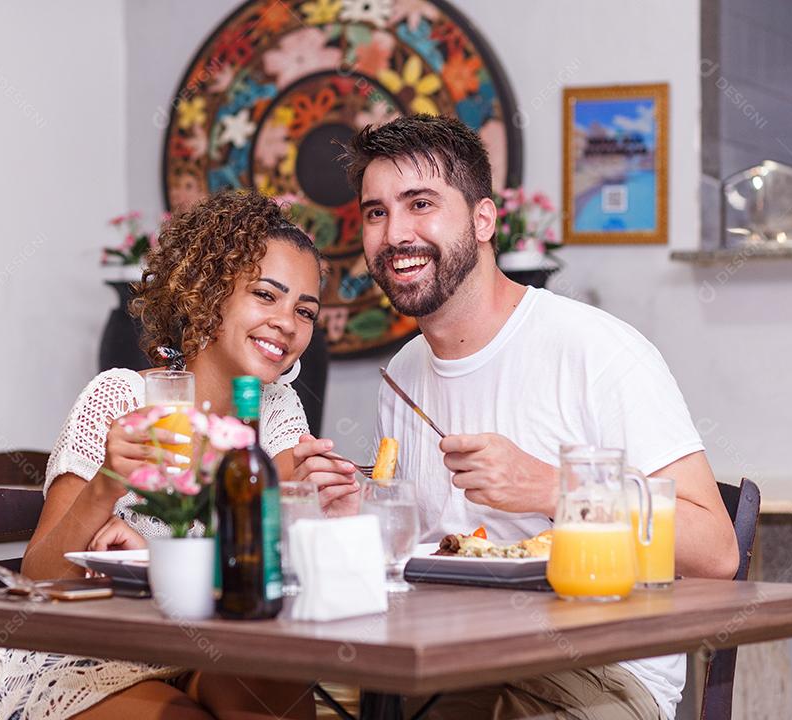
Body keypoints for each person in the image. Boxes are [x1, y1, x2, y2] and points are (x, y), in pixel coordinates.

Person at [292, 115, 739, 720]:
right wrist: (353, 517)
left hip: (595, 671)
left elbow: (715, 551)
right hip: (448, 660)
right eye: (376, 212)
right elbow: (423, 549)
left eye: (420, 204)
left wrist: (549, 487)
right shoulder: (404, 372)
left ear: (483, 220)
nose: (396, 233)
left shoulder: (596, 350)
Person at [0, 191, 322, 720]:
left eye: (305, 310)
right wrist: (108, 482)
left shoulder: (277, 410)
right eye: (265, 295)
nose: (288, 322)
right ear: (209, 294)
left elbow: (272, 551)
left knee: (280, 698)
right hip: (89, 658)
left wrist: (323, 502)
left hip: (209, 647)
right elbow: (37, 577)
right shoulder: (120, 398)